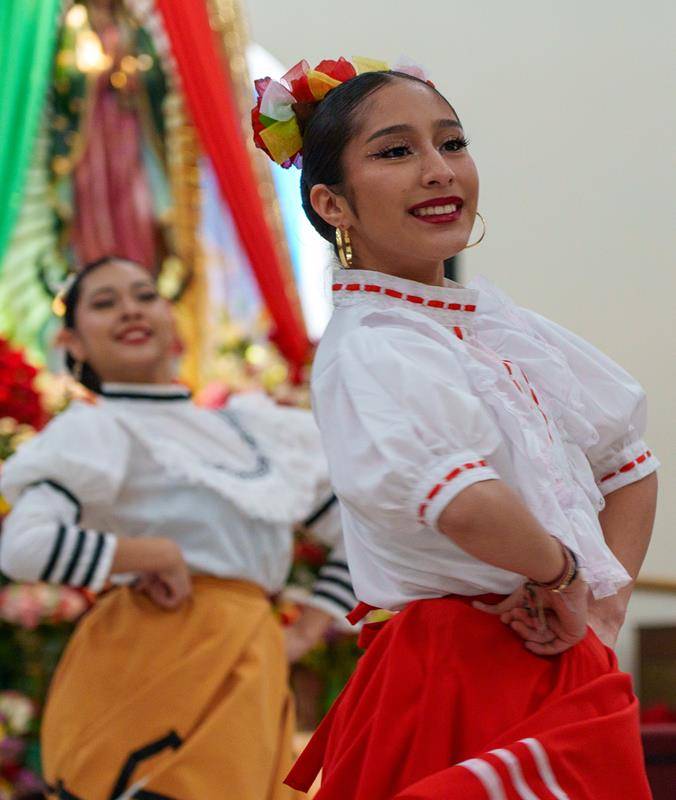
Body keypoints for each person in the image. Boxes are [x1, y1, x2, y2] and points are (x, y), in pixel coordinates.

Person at [251, 58, 659, 799]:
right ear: (332, 205)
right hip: (457, 669)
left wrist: (601, 611)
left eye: (452, 143)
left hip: (553, 655)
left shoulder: (504, 328)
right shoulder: (374, 343)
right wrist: (564, 576)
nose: (439, 170)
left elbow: (628, 462)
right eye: (395, 151)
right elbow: (466, 503)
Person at [0, 256, 355, 800]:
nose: (129, 310)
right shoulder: (97, 428)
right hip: (150, 655)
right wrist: (151, 555)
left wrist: (305, 631)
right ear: (72, 342)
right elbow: (23, 546)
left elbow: (360, 536)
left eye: (144, 295)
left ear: (173, 318)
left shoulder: (248, 428)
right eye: (104, 302)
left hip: (249, 655)